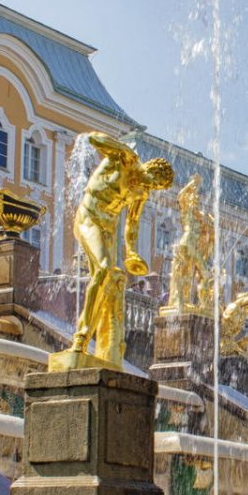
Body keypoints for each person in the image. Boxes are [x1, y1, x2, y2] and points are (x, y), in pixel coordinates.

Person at [63, 132, 174, 368]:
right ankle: (81, 339)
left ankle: (109, 350)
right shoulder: (124, 160)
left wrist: (132, 252)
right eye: (152, 181)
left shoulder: (141, 192)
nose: (150, 187)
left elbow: (132, 224)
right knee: (104, 270)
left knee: (113, 281)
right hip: (89, 218)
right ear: (149, 168)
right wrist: (118, 147)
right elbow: (92, 139)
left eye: (155, 186)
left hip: (108, 229)